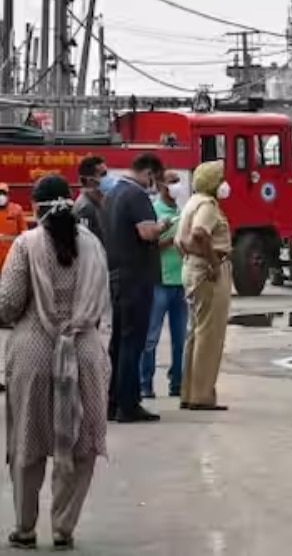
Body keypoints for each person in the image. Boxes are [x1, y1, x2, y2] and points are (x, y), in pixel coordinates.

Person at [0, 174, 110, 550]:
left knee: (28, 442)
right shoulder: (94, 245)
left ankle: (25, 528)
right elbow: (102, 305)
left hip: (33, 352)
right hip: (85, 354)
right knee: (80, 445)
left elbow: (8, 304)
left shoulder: (26, 244)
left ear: (36, 207)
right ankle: (64, 529)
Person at [103, 153, 167, 423]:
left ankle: (113, 400)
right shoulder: (136, 195)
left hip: (116, 275)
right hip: (135, 278)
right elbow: (146, 232)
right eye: (157, 179)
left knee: (118, 341)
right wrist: (163, 225)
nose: (156, 185)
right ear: (149, 173)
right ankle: (128, 404)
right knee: (133, 341)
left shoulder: (112, 195)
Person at [177, 161, 233, 412]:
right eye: (221, 179)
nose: (225, 184)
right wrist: (212, 262)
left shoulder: (192, 201)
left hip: (192, 268)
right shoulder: (207, 206)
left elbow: (182, 239)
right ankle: (202, 396)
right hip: (207, 271)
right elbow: (200, 232)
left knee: (195, 333)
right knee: (209, 335)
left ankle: (189, 392)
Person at [141, 171, 188, 400]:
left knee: (181, 339)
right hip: (160, 282)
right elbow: (149, 245)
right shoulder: (154, 212)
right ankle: (145, 383)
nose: (176, 186)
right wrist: (171, 239)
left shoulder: (181, 212)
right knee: (151, 338)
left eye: (178, 181)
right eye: (172, 182)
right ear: (161, 185)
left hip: (181, 283)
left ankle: (177, 382)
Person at [72, 156, 108, 246]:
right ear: (90, 180)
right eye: (103, 174)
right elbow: (86, 244)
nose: (108, 178)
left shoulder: (97, 203)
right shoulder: (86, 208)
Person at [0, 180, 29, 270]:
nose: (1, 196)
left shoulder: (16, 210)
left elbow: (24, 233)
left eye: (3, 193)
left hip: (12, 255)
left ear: (8, 195)